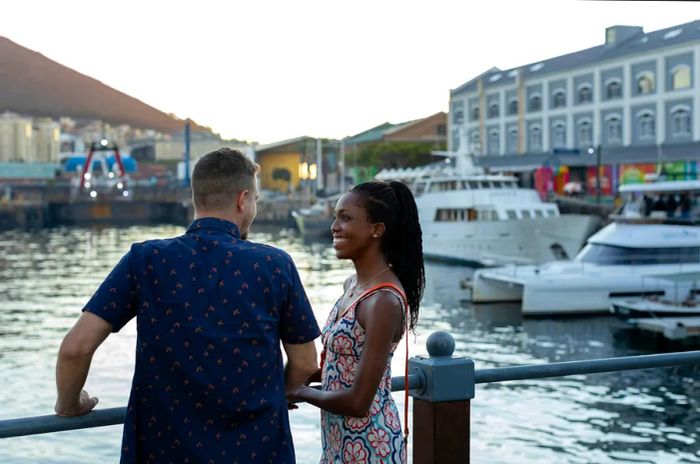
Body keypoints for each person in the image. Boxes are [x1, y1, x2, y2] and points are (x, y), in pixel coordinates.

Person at [54, 148, 320, 464]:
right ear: (242, 199)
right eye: (256, 202)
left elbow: (75, 348)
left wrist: (69, 405)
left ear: (197, 198)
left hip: (163, 451)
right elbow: (304, 363)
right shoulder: (275, 265)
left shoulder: (145, 260)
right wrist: (279, 394)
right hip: (257, 451)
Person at [287, 180, 425, 464]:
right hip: (340, 445)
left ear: (377, 229)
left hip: (371, 448)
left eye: (346, 218)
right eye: (335, 217)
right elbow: (342, 368)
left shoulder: (383, 301)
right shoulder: (353, 285)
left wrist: (301, 392)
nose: (334, 227)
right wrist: (288, 378)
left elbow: (358, 401)